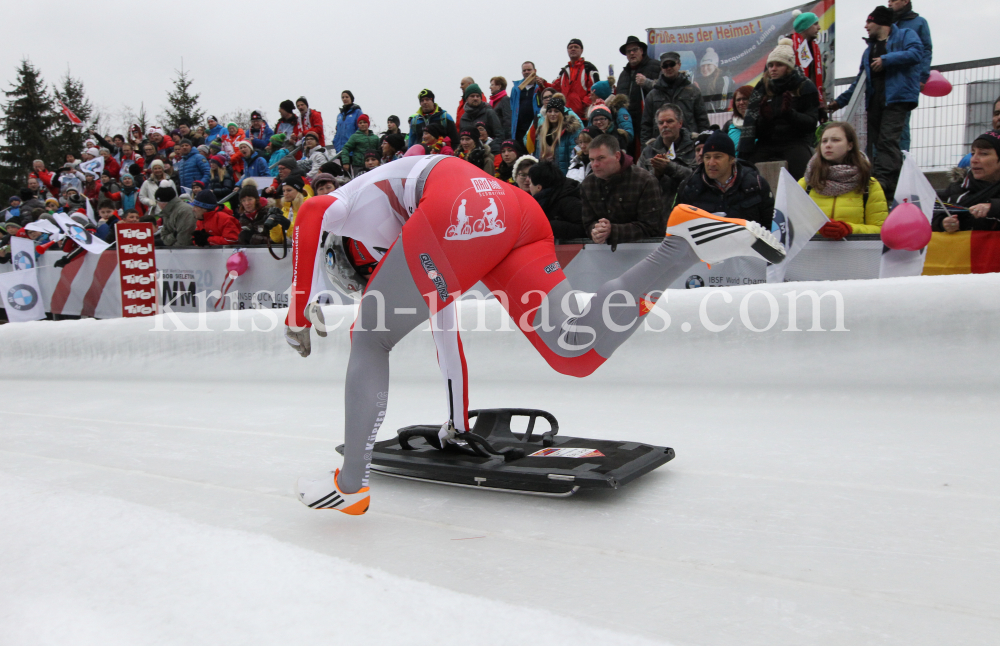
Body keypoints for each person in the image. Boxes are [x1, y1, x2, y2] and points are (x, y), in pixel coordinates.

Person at [285, 154, 783, 514]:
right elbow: (445, 335)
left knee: (369, 336)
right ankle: (680, 247)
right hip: (513, 210)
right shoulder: (410, 234)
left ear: (345, 250)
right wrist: (456, 424)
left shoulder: (347, 208)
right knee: (575, 349)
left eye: (356, 274)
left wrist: (297, 308)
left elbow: (308, 214)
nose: (367, 278)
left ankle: (349, 486)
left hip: (462, 206)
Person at [828, 6, 923, 198]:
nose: (866, 26)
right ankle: (875, 177)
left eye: (869, 21)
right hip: (875, 99)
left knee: (888, 140)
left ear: (880, 22)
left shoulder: (905, 35)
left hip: (897, 98)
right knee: (873, 142)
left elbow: (916, 53)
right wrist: (840, 102)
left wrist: (887, 59)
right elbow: (859, 80)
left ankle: (885, 181)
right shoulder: (868, 50)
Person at [737, 38, 819, 180]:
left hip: (795, 142)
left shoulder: (805, 86)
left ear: (789, 66)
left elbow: (811, 122)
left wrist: (790, 115)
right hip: (766, 144)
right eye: (770, 65)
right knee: (747, 173)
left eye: (779, 65)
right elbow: (753, 129)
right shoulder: (761, 88)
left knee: (803, 175)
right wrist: (764, 118)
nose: (773, 69)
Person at [800, 122, 888, 238]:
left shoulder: (869, 185)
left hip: (853, 255)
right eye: (824, 141)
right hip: (812, 254)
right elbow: (789, 227)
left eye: (835, 140)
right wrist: (819, 230)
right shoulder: (806, 183)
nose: (828, 145)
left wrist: (849, 229)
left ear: (850, 145)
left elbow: (881, 230)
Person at [676, 131, 774, 226]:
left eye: (718, 157)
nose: (711, 163)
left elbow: (770, 225)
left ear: (731, 159)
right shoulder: (689, 187)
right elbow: (679, 227)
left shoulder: (756, 185)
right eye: (707, 157)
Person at [582, 134, 664, 245]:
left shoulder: (644, 181)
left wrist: (612, 231)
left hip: (644, 251)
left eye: (601, 158)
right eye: (591, 159)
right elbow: (587, 223)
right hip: (602, 253)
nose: (595, 164)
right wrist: (596, 231)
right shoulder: (587, 184)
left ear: (617, 156)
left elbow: (651, 227)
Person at [889, 0, 933, 152]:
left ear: (905, 1)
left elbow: (926, 50)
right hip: (889, 79)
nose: (890, 4)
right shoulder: (889, 23)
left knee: (902, 123)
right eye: (889, 1)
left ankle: (903, 159)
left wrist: (923, 76)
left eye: (894, 0)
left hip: (907, 79)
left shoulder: (918, 22)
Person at [935, 131, 1000, 233]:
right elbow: (930, 216)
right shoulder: (957, 189)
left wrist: (994, 207)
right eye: (973, 153)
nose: (974, 160)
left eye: (984, 154)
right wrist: (943, 223)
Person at [641, 52, 710, 144]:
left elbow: (702, 120)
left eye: (672, 64)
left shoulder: (693, 91)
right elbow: (646, 125)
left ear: (679, 65)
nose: (669, 68)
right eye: (665, 65)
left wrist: (703, 143)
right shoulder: (652, 95)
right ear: (661, 68)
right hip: (661, 146)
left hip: (689, 144)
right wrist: (646, 148)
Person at [638, 104, 696, 203]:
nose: (665, 125)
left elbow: (699, 179)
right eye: (661, 123)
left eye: (669, 121)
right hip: (658, 210)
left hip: (688, 206)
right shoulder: (648, 151)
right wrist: (656, 174)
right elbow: (639, 185)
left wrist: (670, 168)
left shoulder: (695, 147)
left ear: (680, 123)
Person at [617, 35, 663, 157]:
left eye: (635, 50)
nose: (632, 53)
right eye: (628, 51)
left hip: (651, 123)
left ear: (642, 51)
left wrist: (647, 83)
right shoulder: (623, 75)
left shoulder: (656, 66)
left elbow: (666, 88)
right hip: (629, 125)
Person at [527, 161, 585, 239]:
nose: (529, 187)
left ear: (539, 187)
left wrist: (549, 226)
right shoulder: (545, 199)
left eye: (530, 183)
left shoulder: (568, 200)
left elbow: (584, 228)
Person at [527, 96, 581, 175]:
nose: (552, 114)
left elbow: (574, 157)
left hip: (564, 175)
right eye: (550, 111)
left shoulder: (570, 131)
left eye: (556, 111)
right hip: (545, 175)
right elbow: (537, 155)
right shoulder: (541, 131)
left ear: (561, 113)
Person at [789, 10, 828, 118]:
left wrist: (821, 108)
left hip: (810, 104)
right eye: (815, 24)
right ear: (805, 27)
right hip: (793, 102)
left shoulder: (814, 48)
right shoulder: (788, 44)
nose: (819, 27)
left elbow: (817, 80)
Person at [551, 38, 599, 117]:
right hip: (565, 115)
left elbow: (595, 89)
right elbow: (555, 88)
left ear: (582, 50)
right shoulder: (564, 71)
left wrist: (583, 105)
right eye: (570, 47)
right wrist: (543, 84)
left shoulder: (589, 68)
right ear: (567, 51)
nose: (573, 49)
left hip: (583, 116)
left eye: (576, 47)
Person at [459, 84, 504, 154]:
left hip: (489, 153)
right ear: (466, 99)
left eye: (478, 96)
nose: (475, 98)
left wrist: (487, 148)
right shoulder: (464, 118)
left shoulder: (489, 113)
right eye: (472, 96)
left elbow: (499, 135)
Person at [509, 61, 545, 145]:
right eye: (524, 70)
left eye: (529, 70)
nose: (526, 72)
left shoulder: (540, 86)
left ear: (534, 71)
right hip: (519, 128)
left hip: (535, 126)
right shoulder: (516, 88)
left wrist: (542, 86)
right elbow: (512, 106)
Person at [589, 81, 633, 148]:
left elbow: (628, 134)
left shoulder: (618, 110)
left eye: (593, 94)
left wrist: (613, 137)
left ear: (601, 95)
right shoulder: (593, 112)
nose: (590, 97)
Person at [153, 182, 195, 247]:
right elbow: (164, 238)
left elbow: (184, 240)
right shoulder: (167, 212)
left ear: (161, 203)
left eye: (157, 202)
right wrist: (174, 235)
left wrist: (171, 250)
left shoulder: (185, 211)